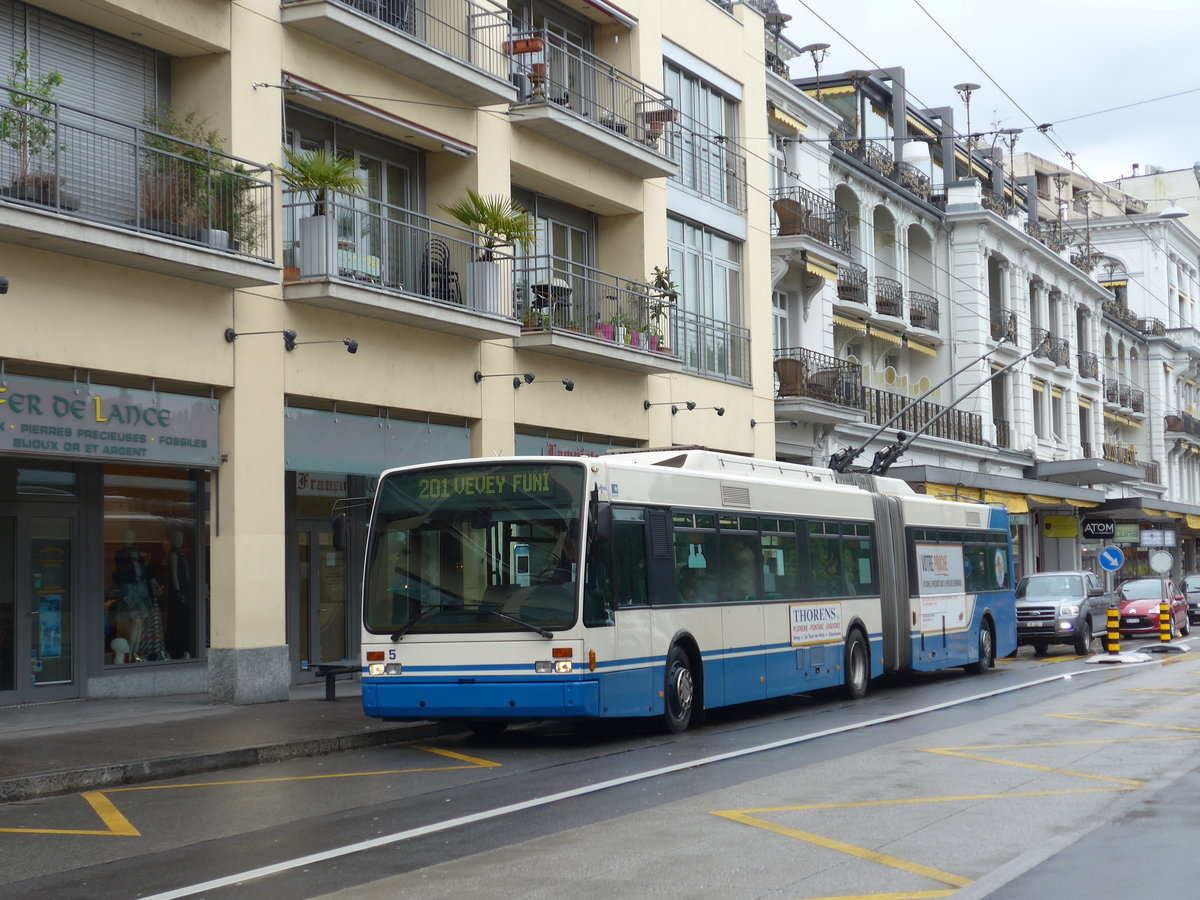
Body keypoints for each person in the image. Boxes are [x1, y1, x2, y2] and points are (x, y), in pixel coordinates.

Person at [112, 529, 156, 662]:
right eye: (125, 536)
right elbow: (121, 574)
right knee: (135, 620)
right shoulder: (120, 554)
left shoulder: (138, 553)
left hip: (141, 589)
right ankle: (130, 652)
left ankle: (135, 652)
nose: (128, 538)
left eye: (130, 536)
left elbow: (145, 571)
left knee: (141, 621)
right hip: (130, 589)